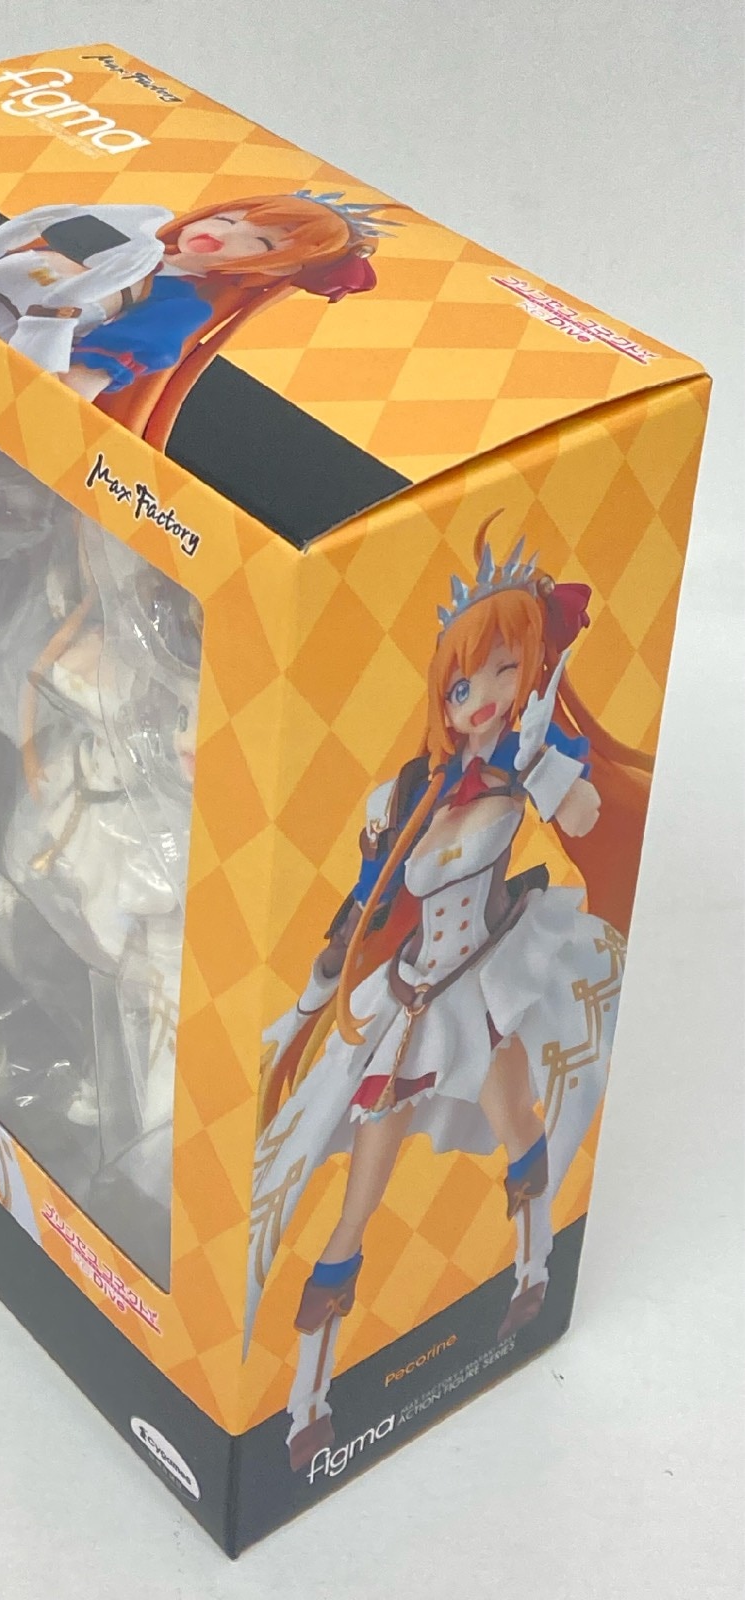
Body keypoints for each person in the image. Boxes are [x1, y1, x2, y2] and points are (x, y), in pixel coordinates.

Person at [248, 511, 653, 1470]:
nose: (484, 698)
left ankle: (533, 1271)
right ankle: (306, 1409)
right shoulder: (406, 793)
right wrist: (313, 996)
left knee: (518, 1127)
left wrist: (543, 764)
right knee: (356, 1200)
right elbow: (363, 907)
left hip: (487, 989)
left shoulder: (526, 764)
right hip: (409, 1007)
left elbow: (586, 815)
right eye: (465, 683)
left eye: (505, 671)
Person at [0, 190, 402, 446]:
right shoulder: (122, 240)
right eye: (228, 218)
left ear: (276, 270)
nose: (226, 234)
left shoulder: (176, 309)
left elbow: (63, 398)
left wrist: (58, 313)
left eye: (261, 243)